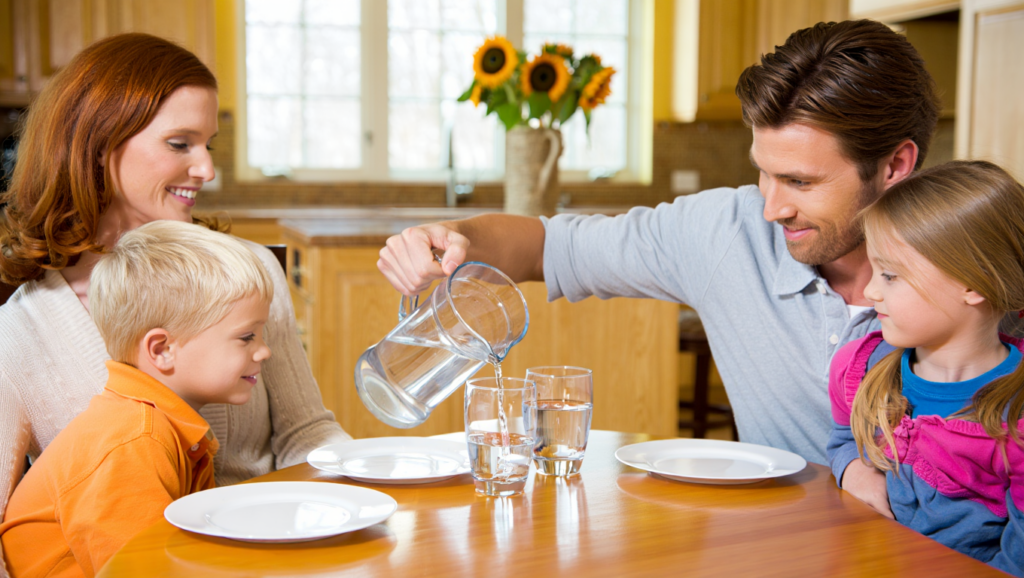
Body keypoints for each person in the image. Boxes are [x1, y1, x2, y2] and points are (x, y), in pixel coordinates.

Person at [377, 19, 938, 499]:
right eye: (763, 172)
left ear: (895, 165)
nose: (771, 208)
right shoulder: (725, 233)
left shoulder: (980, 272)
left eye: (799, 181)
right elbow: (548, 245)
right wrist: (449, 236)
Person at [0, 34, 350, 574]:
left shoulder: (250, 273)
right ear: (98, 145)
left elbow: (307, 433)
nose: (207, 168)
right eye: (180, 144)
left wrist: (356, 504)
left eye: (208, 143)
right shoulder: (21, 331)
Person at [0, 221, 276, 577]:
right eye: (247, 337)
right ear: (161, 350)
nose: (264, 351)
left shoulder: (161, 427)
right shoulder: (132, 440)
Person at [826, 161, 1024, 575]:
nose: (870, 291)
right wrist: (852, 470)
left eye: (891, 275)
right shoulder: (860, 367)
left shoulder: (1016, 413)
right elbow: (843, 437)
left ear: (974, 282)